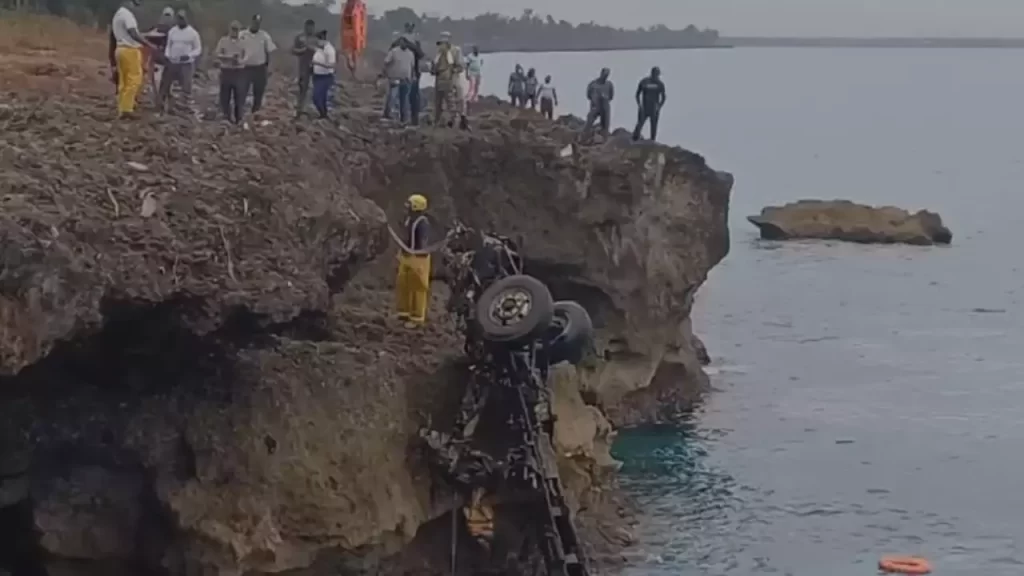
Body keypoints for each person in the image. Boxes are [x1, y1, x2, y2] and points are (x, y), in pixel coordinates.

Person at [110, 0, 156, 118]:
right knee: (134, 79)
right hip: (130, 51)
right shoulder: (127, 15)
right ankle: (127, 109)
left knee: (124, 81)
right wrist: (148, 44)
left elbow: (125, 33)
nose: (135, 7)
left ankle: (123, 106)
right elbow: (133, 33)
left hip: (120, 49)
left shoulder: (117, 14)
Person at [395, 194, 432, 326]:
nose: (407, 207)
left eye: (409, 205)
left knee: (418, 287)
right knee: (403, 283)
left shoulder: (423, 223)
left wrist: (418, 256)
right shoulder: (409, 220)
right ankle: (404, 312)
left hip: (418, 258)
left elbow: (423, 243)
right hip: (407, 256)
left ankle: (417, 318)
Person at [159, 10, 201, 115]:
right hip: (173, 62)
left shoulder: (193, 33)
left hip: (186, 63)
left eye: (182, 18)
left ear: (186, 19)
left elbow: (198, 49)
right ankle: (163, 104)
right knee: (166, 83)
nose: (181, 20)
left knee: (186, 85)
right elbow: (168, 45)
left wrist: (189, 55)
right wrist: (168, 55)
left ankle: (185, 106)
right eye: (179, 18)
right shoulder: (172, 31)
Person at [239, 14, 276, 115]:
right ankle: (239, 115)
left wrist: (270, 67)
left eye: (258, 23)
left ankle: (256, 114)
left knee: (258, 93)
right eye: (255, 22)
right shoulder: (242, 34)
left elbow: (270, 52)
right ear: (251, 22)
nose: (256, 25)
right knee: (242, 91)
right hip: (245, 68)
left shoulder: (264, 36)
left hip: (259, 68)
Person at [214, 21, 246, 124]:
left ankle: (238, 119)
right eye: (233, 29)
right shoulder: (223, 41)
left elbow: (247, 57)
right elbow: (217, 54)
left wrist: (239, 61)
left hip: (239, 71)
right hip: (226, 70)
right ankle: (226, 117)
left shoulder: (243, 42)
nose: (234, 31)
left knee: (239, 97)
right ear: (229, 29)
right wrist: (228, 58)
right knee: (225, 96)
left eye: (236, 29)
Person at [392, 22, 425, 125]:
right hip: (402, 73)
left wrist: (411, 44)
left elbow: (420, 54)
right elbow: (391, 51)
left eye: (411, 27)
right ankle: (403, 119)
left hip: (413, 73)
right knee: (402, 97)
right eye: (408, 27)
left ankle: (414, 120)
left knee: (413, 97)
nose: (410, 29)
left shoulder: (415, 42)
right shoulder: (399, 41)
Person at [431, 31, 464, 128]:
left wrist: (453, 71)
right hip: (439, 79)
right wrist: (433, 70)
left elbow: (460, 66)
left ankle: (454, 121)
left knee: (451, 102)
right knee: (437, 102)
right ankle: (437, 122)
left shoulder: (455, 51)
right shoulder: (438, 53)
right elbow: (434, 66)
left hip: (450, 80)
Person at [380, 40, 414, 123]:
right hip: (394, 78)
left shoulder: (410, 54)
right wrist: (385, 72)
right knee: (392, 96)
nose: (405, 44)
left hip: (405, 79)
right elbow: (386, 62)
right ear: (401, 43)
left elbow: (412, 66)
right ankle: (388, 114)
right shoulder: (394, 51)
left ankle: (404, 117)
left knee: (404, 99)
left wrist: (411, 77)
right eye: (403, 42)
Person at [633, 66, 667, 141]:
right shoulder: (644, 81)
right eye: (655, 74)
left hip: (654, 108)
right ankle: (634, 139)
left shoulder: (660, 84)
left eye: (658, 74)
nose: (656, 76)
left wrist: (659, 106)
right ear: (652, 73)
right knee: (640, 123)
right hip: (644, 107)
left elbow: (664, 97)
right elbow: (637, 94)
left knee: (654, 126)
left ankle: (652, 141)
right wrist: (639, 105)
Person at [292, 19, 317, 115]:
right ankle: (300, 108)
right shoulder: (299, 37)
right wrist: (303, 50)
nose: (309, 29)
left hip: (317, 65)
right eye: (307, 27)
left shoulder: (318, 38)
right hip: (304, 65)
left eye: (311, 27)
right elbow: (293, 50)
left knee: (316, 87)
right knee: (303, 86)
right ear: (305, 27)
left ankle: (314, 108)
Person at [310, 30, 337, 119]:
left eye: (317, 41)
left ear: (322, 40)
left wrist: (317, 63)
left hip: (325, 77)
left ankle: (323, 114)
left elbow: (332, 65)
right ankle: (323, 114)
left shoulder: (330, 50)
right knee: (318, 98)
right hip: (317, 76)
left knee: (319, 97)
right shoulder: (319, 49)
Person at [584, 67, 614, 137]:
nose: (606, 76)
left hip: (605, 106)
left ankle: (604, 138)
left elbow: (611, 96)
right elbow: (588, 95)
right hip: (595, 106)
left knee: (605, 125)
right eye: (605, 74)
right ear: (601, 73)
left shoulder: (609, 84)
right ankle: (583, 136)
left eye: (607, 75)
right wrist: (595, 98)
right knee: (589, 122)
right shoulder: (593, 84)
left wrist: (604, 98)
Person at [340, 0, 367, 75]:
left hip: (356, 33)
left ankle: (354, 71)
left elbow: (362, 24)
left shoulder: (360, 7)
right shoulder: (346, 7)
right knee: (348, 53)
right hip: (348, 32)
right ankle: (352, 69)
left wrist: (362, 38)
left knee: (355, 52)